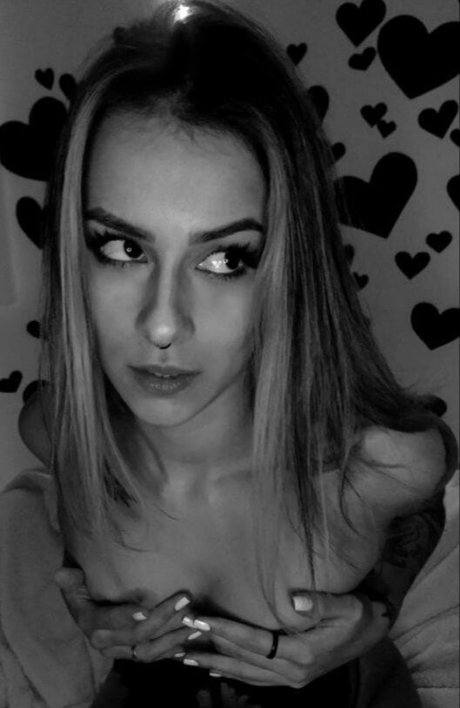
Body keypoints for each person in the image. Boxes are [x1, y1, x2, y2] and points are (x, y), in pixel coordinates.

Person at [2, 1, 457, 706]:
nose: (162, 323)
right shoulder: (58, 431)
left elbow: (427, 494)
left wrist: (379, 607)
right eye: (122, 247)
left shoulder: (380, 466)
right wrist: (86, 605)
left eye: (225, 259)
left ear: (289, 269)